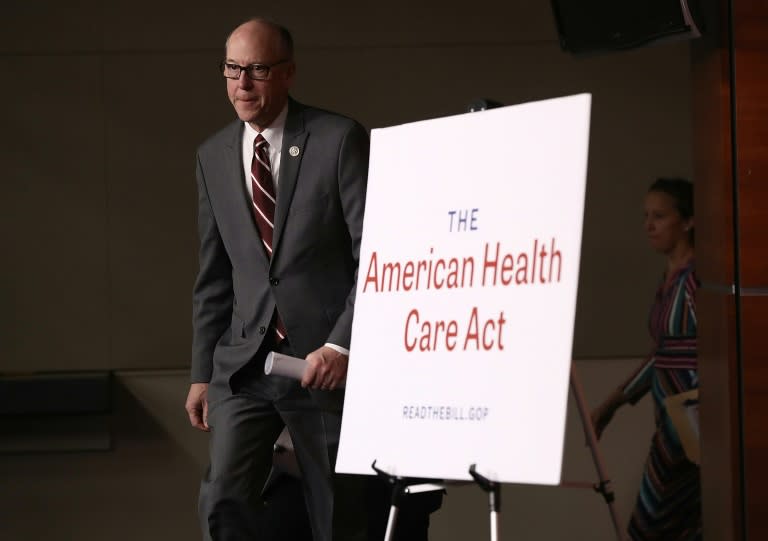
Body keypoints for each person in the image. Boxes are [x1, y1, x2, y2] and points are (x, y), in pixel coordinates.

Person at [184, 17, 370, 541]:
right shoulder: (212, 155)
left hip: (322, 362)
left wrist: (341, 345)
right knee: (222, 499)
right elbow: (214, 275)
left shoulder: (338, 139)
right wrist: (202, 372)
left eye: (258, 69)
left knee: (338, 516)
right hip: (245, 364)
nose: (242, 83)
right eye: (232, 69)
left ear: (288, 74)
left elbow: (377, 257)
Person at [591, 178, 700, 540]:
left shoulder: (698, 277)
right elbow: (662, 355)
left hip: (690, 426)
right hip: (671, 420)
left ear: (687, 221)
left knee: (652, 523)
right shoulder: (669, 276)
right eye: (646, 216)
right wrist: (614, 403)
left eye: (659, 216)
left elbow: (708, 352)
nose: (648, 226)